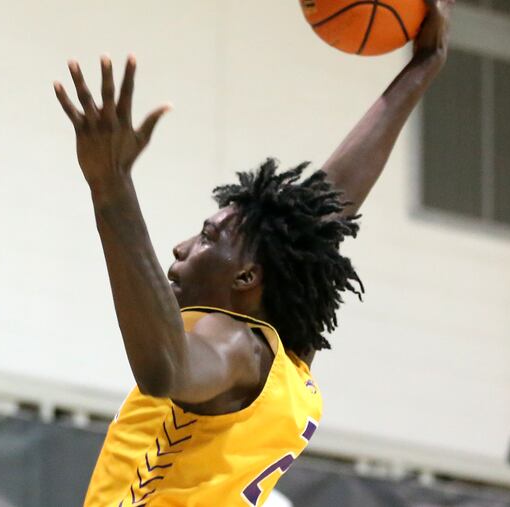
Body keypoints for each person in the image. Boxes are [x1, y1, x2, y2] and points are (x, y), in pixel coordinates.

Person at [53, 1, 454, 505]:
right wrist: (423, 67)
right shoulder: (288, 361)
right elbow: (328, 208)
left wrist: (112, 191)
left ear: (246, 278)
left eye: (207, 237)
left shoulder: (231, 342)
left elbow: (164, 369)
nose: (181, 247)